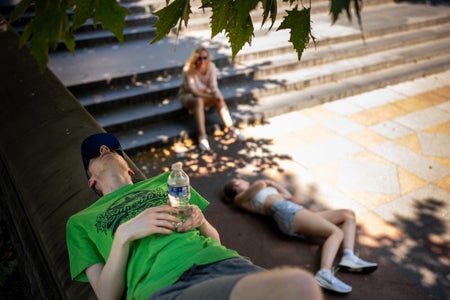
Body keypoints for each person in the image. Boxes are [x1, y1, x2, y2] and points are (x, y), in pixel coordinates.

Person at [66, 133, 323, 300]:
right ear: (92, 183)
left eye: (113, 148)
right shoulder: (81, 221)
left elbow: (216, 240)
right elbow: (106, 295)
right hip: (164, 287)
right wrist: (124, 235)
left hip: (223, 263)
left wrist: (201, 220)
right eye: (96, 153)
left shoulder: (166, 182)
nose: (104, 149)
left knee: (298, 291)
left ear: (131, 170)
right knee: (300, 287)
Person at [223, 178, 378, 294]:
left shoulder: (259, 189)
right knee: (335, 232)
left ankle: (349, 256)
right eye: (238, 180)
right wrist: (266, 182)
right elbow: (260, 185)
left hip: (293, 210)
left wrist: (274, 184)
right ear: (236, 184)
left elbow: (287, 194)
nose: (242, 180)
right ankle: (324, 273)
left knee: (347, 214)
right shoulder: (241, 198)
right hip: (285, 211)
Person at [179, 46, 245, 151]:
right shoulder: (189, 69)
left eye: (205, 58)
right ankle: (202, 136)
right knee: (198, 100)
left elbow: (214, 86)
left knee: (219, 99)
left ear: (208, 58)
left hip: (205, 94)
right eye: (199, 58)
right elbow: (194, 91)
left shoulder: (211, 67)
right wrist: (211, 96)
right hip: (188, 96)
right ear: (194, 58)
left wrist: (217, 95)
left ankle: (231, 128)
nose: (202, 60)